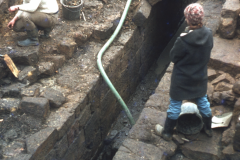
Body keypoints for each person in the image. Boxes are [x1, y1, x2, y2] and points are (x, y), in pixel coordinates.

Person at [161, 3, 213, 141]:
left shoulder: (183, 40)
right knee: (203, 102)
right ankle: (208, 128)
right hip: (199, 77)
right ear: (201, 18)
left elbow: (173, 57)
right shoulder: (208, 34)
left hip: (181, 80)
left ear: (187, 19)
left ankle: (167, 132)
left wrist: (184, 36)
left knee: (175, 105)